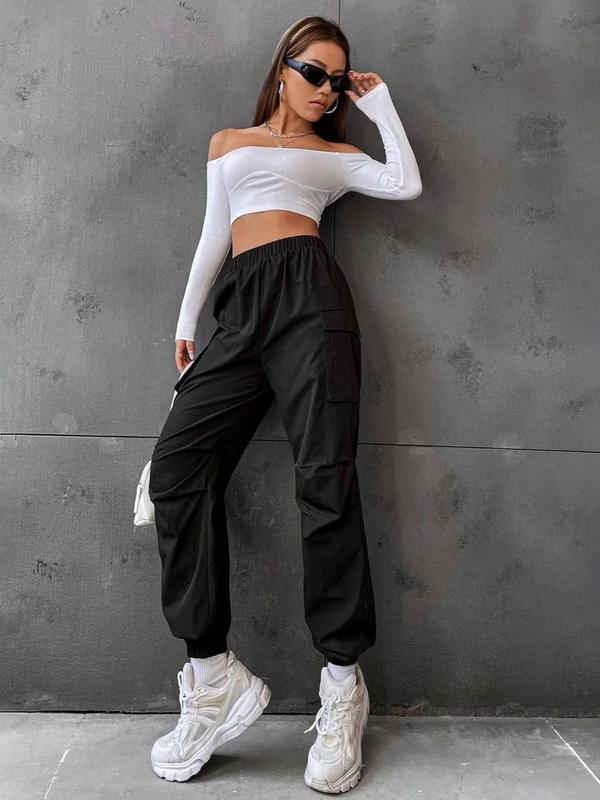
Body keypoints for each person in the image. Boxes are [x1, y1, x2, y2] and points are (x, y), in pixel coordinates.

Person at [148, 14, 422, 793]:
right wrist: (186, 325)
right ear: (282, 70)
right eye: (314, 73)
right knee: (176, 471)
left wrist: (379, 106)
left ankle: (343, 683)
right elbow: (214, 234)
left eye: (337, 80)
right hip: (242, 309)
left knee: (324, 483)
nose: (325, 90)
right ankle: (212, 677)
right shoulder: (229, 143)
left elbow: (405, 182)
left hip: (312, 303)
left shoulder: (335, 158)